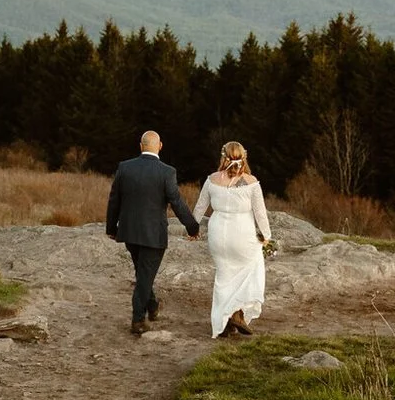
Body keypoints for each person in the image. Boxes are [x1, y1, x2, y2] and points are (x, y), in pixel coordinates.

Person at [104, 130, 200, 335]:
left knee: (143, 273)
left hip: (130, 232)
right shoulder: (167, 172)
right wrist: (192, 226)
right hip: (153, 235)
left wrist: (112, 228)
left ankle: (152, 305)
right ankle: (138, 320)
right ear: (160, 146)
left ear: (141, 146)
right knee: (145, 276)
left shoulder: (125, 167)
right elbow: (177, 203)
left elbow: (114, 200)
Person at [195, 141, 272, 338]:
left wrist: (192, 229)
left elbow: (200, 208)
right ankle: (236, 314)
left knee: (224, 276)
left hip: (218, 234)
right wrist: (266, 236)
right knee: (252, 267)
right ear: (244, 157)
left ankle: (225, 322)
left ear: (223, 157)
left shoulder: (212, 180)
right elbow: (260, 213)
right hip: (242, 234)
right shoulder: (251, 182)